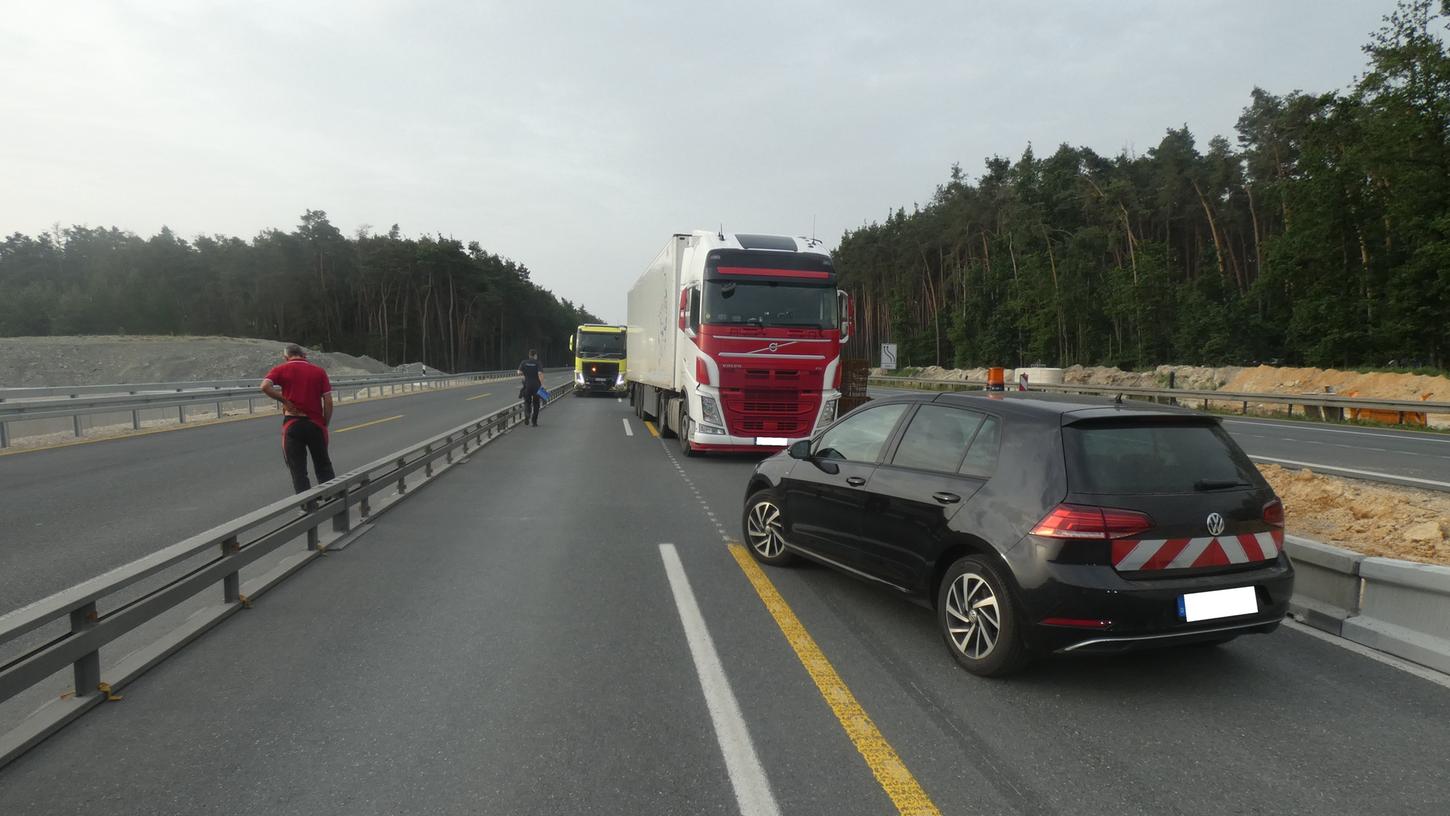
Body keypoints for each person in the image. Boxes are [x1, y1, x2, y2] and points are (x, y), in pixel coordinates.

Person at [260, 343, 336, 493]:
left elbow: (264, 386)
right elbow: (328, 401)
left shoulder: (280, 369)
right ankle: (332, 498)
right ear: (304, 355)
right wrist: (324, 423)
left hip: (292, 424)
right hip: (315, 423)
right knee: (323, 464)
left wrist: (285, 402)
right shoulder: (319, 372)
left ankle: (308, 506)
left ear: (285, 357)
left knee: (298, 470)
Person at [518, 348, 543, 426]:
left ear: (529, 355)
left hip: (527, 385)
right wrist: (541, 384)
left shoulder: (524, 362)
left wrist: (524, 376)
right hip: (536, 386)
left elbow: (519, 372)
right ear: (535, 355)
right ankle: (534, 422)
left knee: (527, 402)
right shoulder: (538, 363)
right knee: (536, 404)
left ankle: (527, 414)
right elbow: (540, 374)